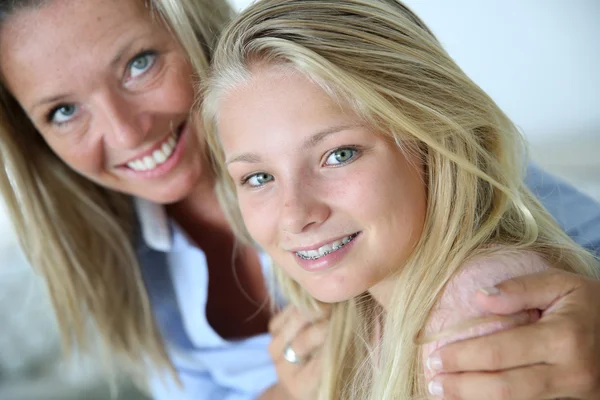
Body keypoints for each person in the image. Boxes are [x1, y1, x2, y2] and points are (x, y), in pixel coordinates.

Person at [0, 0, 598, 399]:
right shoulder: (120, 257)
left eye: (139, 63)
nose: (127, 133)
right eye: (63, 111)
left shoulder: (437, 210)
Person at [202, 0, 600, 399]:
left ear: (432, 139)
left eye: (339, 155)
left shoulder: (478, 307)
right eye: (259, 177)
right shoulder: (366, 309)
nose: (295, 216)